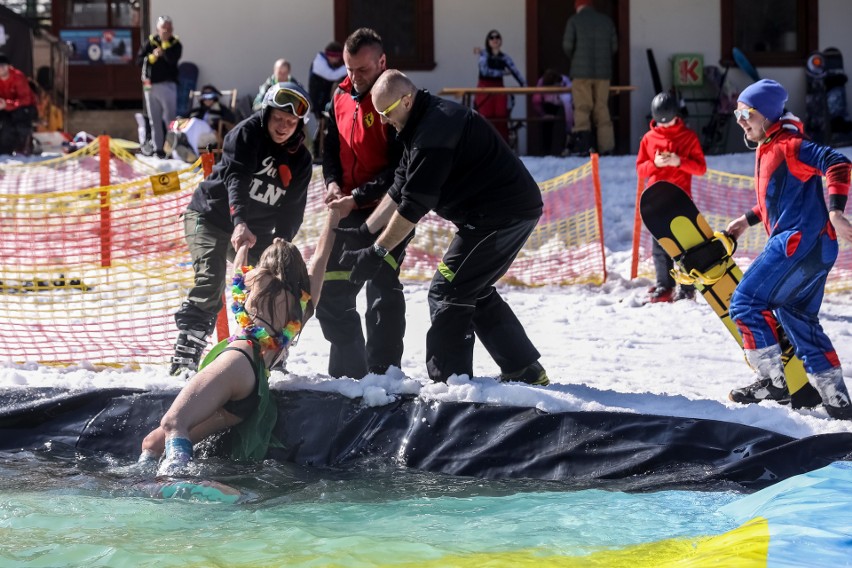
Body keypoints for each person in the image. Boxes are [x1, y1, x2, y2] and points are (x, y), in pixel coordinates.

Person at [335, 69, 548, 386]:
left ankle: (451, 386)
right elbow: (399, 188)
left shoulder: (434, 132)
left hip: (503, 215)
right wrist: (365, 232)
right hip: (491, 214)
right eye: (378, 114)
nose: (382, 121)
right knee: (471, 287)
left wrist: (378, 251)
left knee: (447, 290)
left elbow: (412, 207)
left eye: (386, 113)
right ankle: (525, 370)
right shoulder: (417, 122)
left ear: (406, 100)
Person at [725, 79, 852, 420]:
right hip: (818, 248)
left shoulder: (790, 144)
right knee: (797, 316)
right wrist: (746, 221)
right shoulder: (771, 144)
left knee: (745, 302)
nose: (740, 120)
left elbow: (837, 162)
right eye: (737, 113)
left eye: (746, 114)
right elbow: (780, 198)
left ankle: (771, 381)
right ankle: (837, 399)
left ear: (766, 115)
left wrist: (836, 211)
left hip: (797, 242)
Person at [169, 82, 313, 376]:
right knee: (211, 278)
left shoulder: (301, 160)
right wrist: (240, 223)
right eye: (278, 119)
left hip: (256, 233)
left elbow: (292, 210)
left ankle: (270, 354)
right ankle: (186, 356)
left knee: (277, 283)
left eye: (290, 122)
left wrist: (280, 245)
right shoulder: (247, 133)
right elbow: (236, 180)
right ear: (267, 113)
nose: (283, 126)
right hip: (210, 216)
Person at [141, 239, 314, 476]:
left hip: (238, 362)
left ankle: (176, 477)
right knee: (153, 443)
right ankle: (142, 476)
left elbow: (238, 273)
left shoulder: (261, 279)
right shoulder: (303, 303)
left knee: (173, 421)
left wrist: (242, 247)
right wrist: (333, 219)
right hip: (252, 392)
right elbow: (321, 257)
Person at [317, 28, 408, 380]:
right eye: (348, 69)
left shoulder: (394, 97)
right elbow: (329, 150)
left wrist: (356, 197)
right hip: (346, 210)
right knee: (333, 292)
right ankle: (348, 377)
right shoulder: (339, 93)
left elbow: (399, 171)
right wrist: (332, 183)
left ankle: (384, 375)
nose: (354, 78)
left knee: (382, 287)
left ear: (382, 63)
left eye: (363, 71)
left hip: (388, 211)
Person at [636, 92, 707, 303]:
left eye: (669, 123)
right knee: (659, 246)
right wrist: (655, 164)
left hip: (681, 200)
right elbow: (640, 169)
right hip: (656, 200)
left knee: (685, 247)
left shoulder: (689, 137)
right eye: (660, 123)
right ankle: (664, 285)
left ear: (677, 115)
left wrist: (679, 162)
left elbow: (701, 168)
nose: (665, 127)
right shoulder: (649, 138)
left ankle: (686, 287)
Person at [562, 0, 617, 156]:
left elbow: (567, 45)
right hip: (603, 74)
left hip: (580, 74)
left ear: (578, 6)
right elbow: (614, 46)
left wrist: (576, 59)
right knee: (602, 107)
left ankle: (583, 146)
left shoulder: (574, 20)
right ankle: (607, 147)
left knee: (582, 108)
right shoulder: (606, 21)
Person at [136, 15, 182, 159]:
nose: (166, 31)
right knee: (153, 119)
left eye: (169, 29)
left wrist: (164, 52)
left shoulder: (176, 44)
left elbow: (173, 60)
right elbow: (138, 61)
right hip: (150, 86)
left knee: (170, 120)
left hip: (167, 85)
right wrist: (151, 57)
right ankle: (158, 149)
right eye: (164, 28)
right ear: (158, 29)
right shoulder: (149, 43)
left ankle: (172, 149)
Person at [473, 29, 525, 142]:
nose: (495, 40)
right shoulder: (484, 55)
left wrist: (525, 85)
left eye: (497, 37)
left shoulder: (504, 57)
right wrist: (503, 73)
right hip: (484, 88)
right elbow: (485, 71)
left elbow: (515, 71)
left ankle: (502, 145)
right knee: (485, 117)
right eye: (492, 38)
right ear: (488, 41)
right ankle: (484, 144)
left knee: (501, 116)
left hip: (499, 88)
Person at [166, 84, 237, 161]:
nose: (208, 99)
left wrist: (218, 120)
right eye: (205, 96)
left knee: (194, 121)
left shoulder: (221, 108)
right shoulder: (197, 109)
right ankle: (182, 148)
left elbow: (232, 119)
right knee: (179, 122)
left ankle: (184, 145)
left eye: (210, 96)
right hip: (196, 134)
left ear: (215, 96)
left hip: (212, 133)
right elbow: (184, 117)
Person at [307, 41, 348, 160]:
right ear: (331, 55)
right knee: (320, 125)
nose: (336, 61)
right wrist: (350, 66)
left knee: (323, 126)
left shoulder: (325, 61)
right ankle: (316, 152)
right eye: (336, 58)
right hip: (317, 99)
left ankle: (319, 151)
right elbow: (332, 75)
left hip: (323, 99)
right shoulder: (319, 62)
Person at [0, 53, 38, 156]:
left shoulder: (18, 77)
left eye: (3, 65)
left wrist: (7, 105)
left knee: (20, 120)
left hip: (24, 108)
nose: (1, 68)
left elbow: (26, 100)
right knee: (5, 126)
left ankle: (26, 147)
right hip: (5, 108)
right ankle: (4, 152)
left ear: (9, 66)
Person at [530, 68, 573, 155]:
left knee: (563, 125)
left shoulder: (565, 86)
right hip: (548, 105)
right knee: (547, 124)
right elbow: (536, 101)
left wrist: (569, 128)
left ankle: (564, 148)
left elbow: (568, 107)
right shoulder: (542, 82)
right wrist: (543, 114)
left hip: (563, 104)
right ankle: (546, 151)